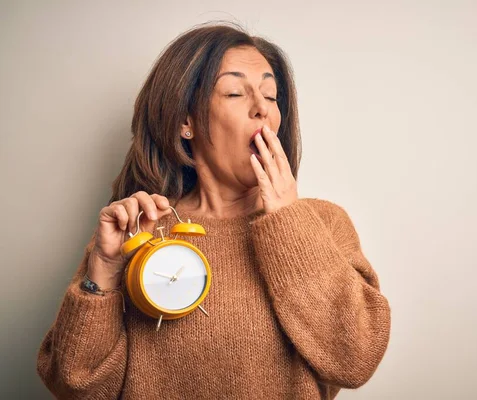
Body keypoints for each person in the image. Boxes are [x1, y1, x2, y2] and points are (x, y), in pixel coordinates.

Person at [36, 22, 391, 399]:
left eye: (271, 97)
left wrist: (288, 220)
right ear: (185, 122)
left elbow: (356, 359)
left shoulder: (323, 223)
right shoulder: (137, 230)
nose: (262, 111)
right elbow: (75, 387)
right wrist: (103, 272)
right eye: (236, 93)